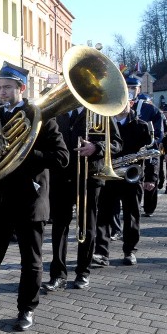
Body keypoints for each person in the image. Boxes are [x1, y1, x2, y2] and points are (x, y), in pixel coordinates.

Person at [0, 62, 68, 334]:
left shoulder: (41, 116)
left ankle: (26, 310)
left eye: (7, 87)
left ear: (22, 88)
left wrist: (25, 149)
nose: (2, 93)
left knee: (30, 262)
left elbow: (62, 158)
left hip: (30, 200)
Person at [45, 102, 121, 292]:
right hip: (61, 177)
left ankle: (83, 272)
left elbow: (117, 143)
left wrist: (97, 147)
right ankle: (57, 275)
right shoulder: (58, 112)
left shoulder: (100, 111)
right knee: (59, 227)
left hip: (89, 177)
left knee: (87, 227)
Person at [94, 101, 154, 267]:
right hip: (109, 176)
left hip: (132, 178)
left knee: (132, 216)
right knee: (103, 216)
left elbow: (151, 153)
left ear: (131, 103)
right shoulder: (103, 124)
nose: (119, 105)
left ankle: (130, 251)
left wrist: (151, 178)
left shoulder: (141, 126)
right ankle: (101, 252)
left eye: (123, 101)